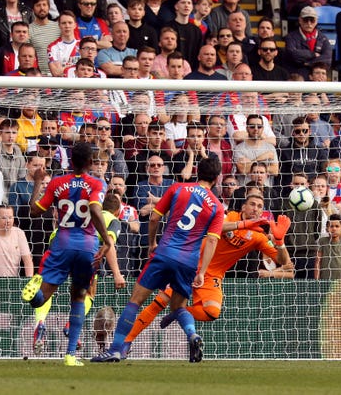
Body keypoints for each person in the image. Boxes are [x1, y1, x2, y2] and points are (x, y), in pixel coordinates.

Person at [118, 193, 291, 356]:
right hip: (190, 265)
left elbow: (284, 262)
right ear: (243, 207)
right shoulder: (230, 216)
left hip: (213, 275)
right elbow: (217, 227)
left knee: (212, 312)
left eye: (259, 206)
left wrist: (280, 243)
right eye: (252, 204)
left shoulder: (259, 236)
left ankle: (179, 313)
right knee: (160, 302)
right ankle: (126, 342)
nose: (255, 208)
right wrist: (243, 225)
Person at [90, 157, 222, 363]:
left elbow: (154, 217)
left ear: (197, 172)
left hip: (165, 252)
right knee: (178, 306)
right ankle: (192, 335)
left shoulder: (178, 188)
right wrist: (202, 271)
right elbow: (212, 242)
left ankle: (115, 349)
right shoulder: (217, 206)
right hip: (188, 261)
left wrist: (152, 243)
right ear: (216, 178)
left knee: (135, 301)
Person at [21, 142, 112, 367]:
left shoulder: (57, 182)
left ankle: (34, 295)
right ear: (91, 162)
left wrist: (37, 182)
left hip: (62, 242)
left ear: (70, 161)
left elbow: (33, 211)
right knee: (79, 296)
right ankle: (70, 355)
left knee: (43, 297)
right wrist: (107, 240)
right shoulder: (97, 183)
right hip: (87, 246)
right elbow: (94, 208)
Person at [32, 191, 126, 355]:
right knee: (85, 294)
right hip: (84, 250)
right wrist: (117, 273)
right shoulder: (113, 220)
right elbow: (109, 244)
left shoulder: (88, 211)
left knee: (47, 288)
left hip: (58, 240)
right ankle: (71, 324)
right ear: (118, 211)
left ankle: (40, 322)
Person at [284, 6, 332, 79]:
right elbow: (293, 55)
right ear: (300, 20)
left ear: (316, 21)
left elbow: (327, 59)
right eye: (306, 20)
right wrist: (313, 54)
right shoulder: (290, 37)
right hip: (297, 74)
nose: (309, 23)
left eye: (312, 20)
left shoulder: (323, 38)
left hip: (317, 75)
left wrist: (308, 63)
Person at [315, 214, 341, 280]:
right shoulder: (322, 241)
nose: (334, 229)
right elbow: (317, 262)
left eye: (337, 226)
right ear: (327, 228)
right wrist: (317, 281)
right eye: (331, 226)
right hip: (325, 280)